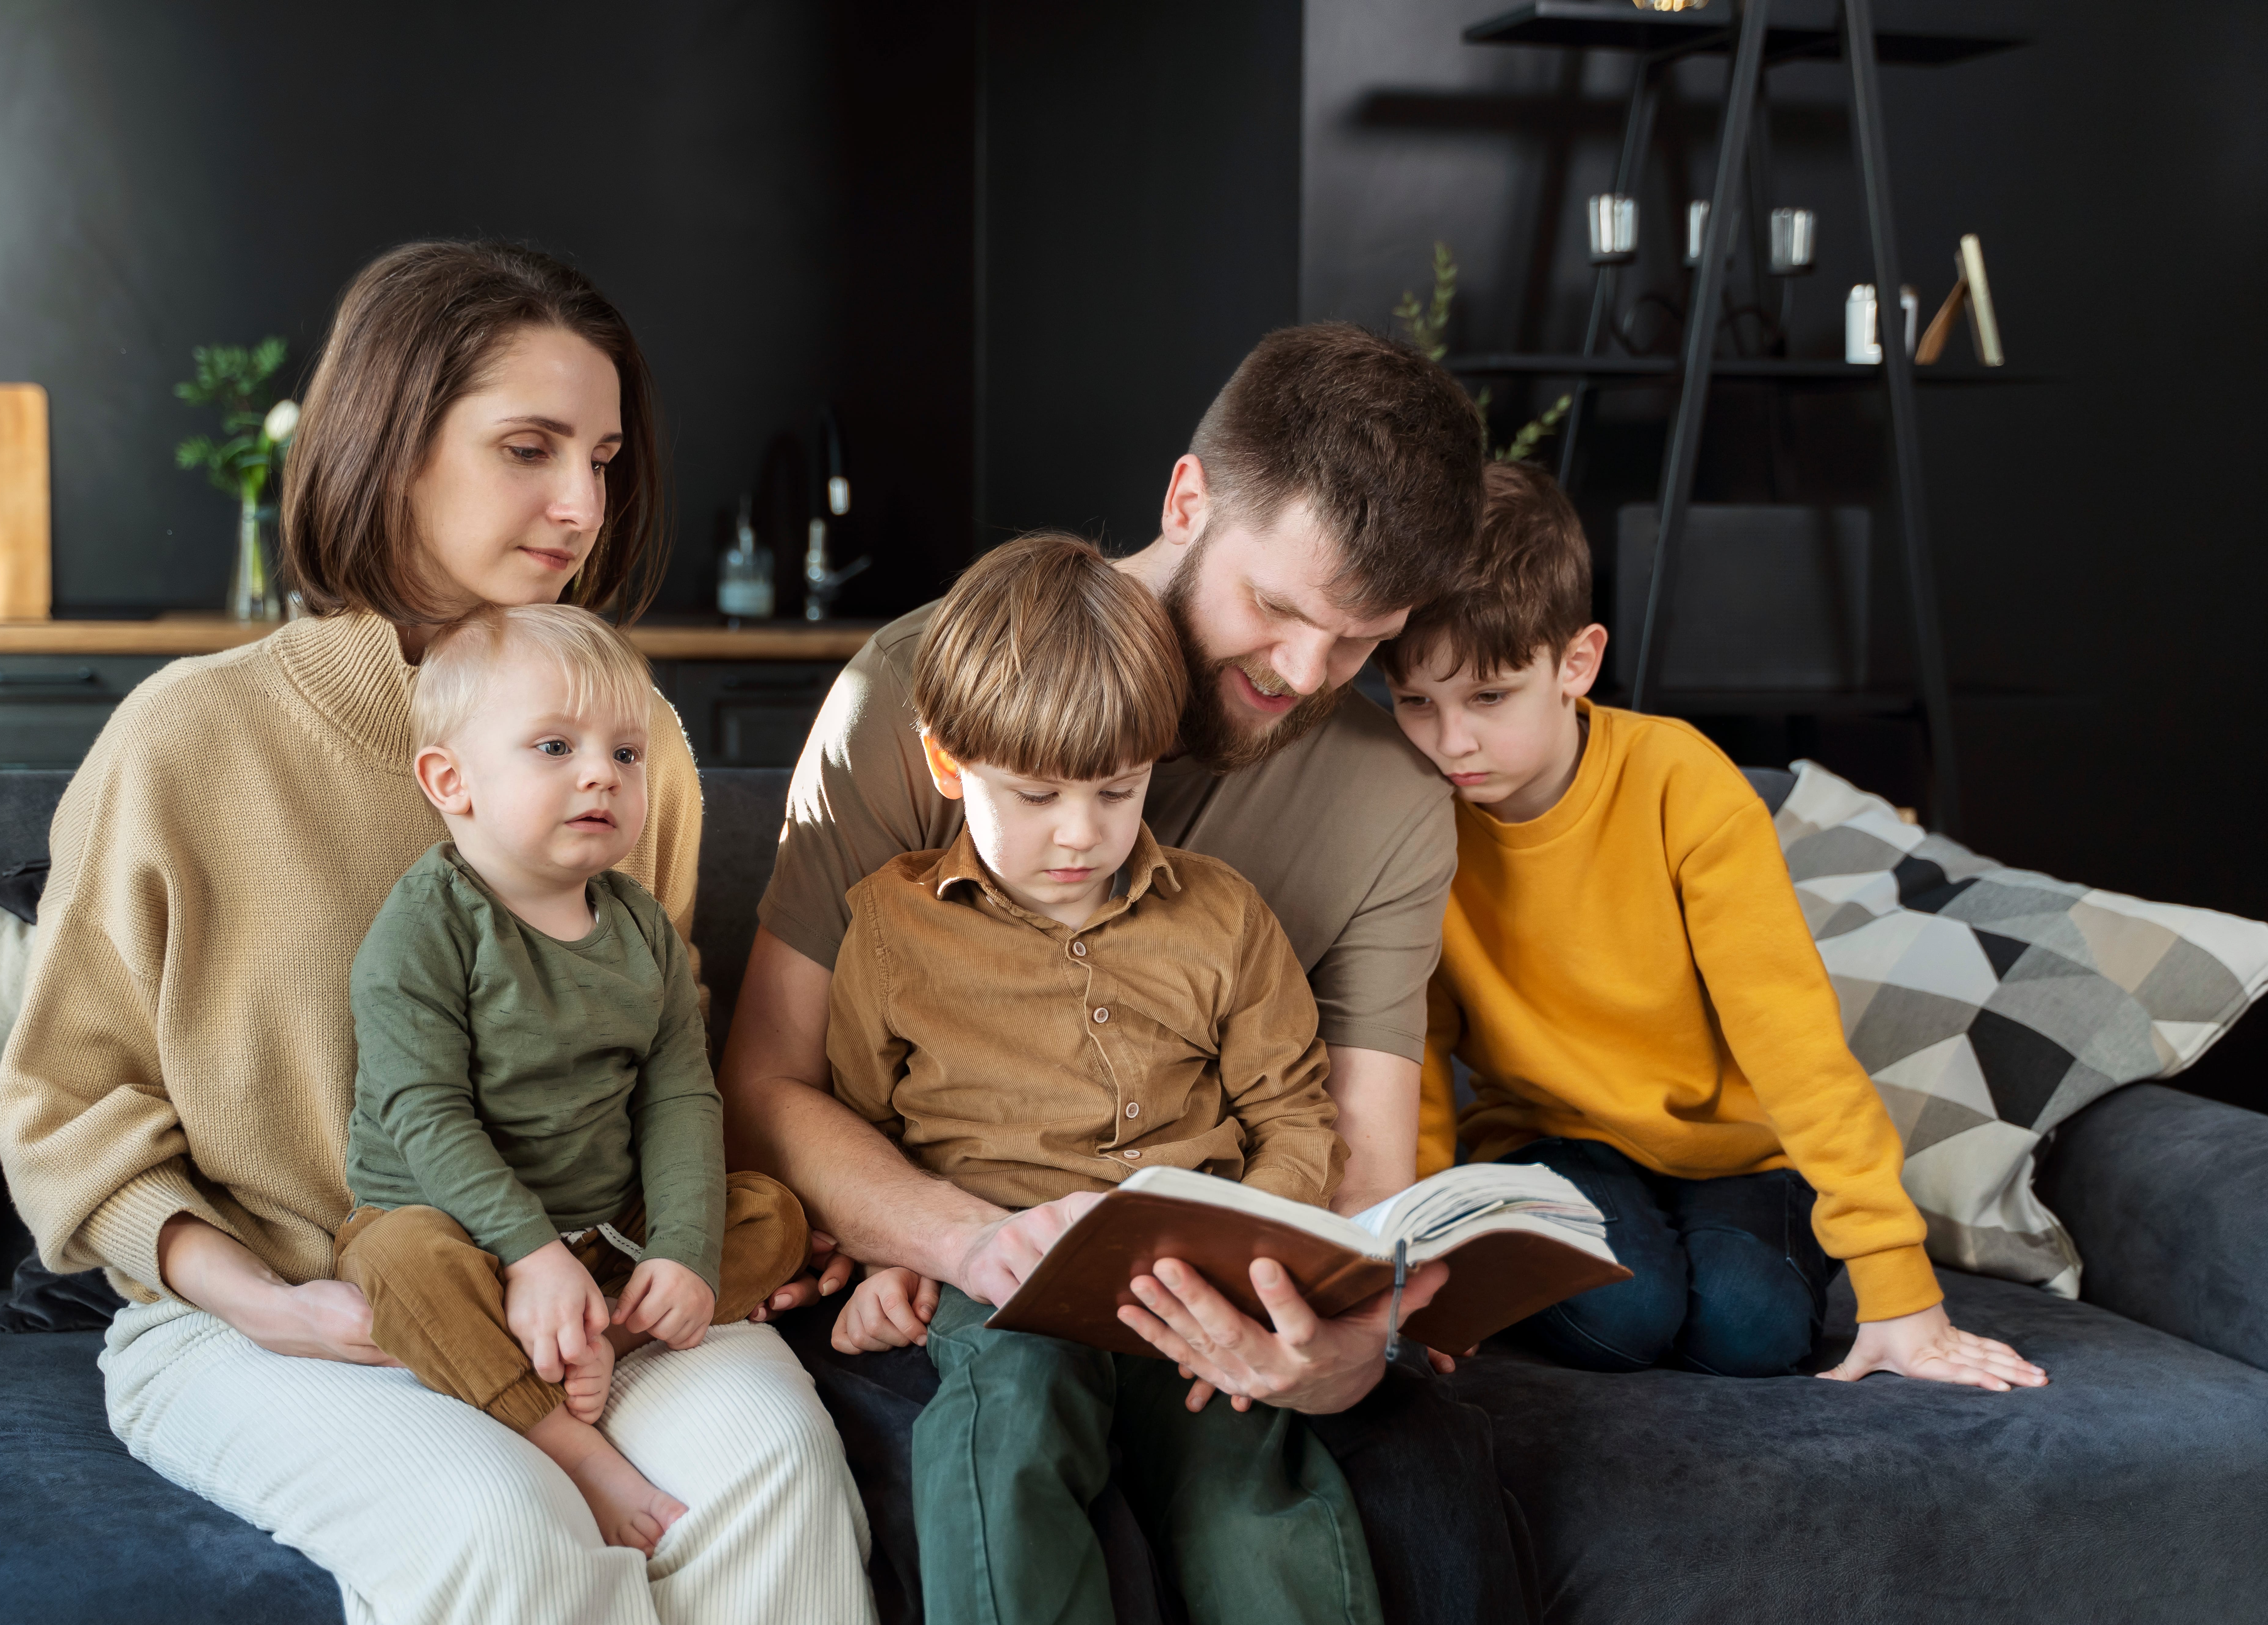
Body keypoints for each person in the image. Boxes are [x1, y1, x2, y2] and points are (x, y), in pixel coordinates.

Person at [0, 240, 875, 1623]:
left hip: (588, 1292)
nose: (581, 502)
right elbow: (64, 1108)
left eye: (602, 457)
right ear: (391, 445)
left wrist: (682, 1252)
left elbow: (666, 1062)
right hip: (272, 1321)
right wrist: (271, 1305)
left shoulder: (635, 752)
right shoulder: (187, 737)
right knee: (501, 1531)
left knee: (773, 1470)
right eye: (528, 448)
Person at [728, 324, 1536, 1624]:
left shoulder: (1389, 803)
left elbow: (1359, 1159)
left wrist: (1332, 1353)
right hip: (958, 1267)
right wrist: (965, 1241)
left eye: (1356, 640)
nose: (1300, 675)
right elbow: (765, 1080)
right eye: (1275, 608)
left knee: (1426, 1477)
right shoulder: (926, 688)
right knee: (1006, 1435)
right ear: (1187, 500)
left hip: (1230, 1294)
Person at [1379, 459, 2049, 1391]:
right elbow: (1410, 1050)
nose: (1451, 741)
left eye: (1489, 698)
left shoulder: (1683, 785)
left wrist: (1901, 1289)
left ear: (1576, 663)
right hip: (1551, 1143)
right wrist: (1421, 1269)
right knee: (1624, 1319)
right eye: (1417, 702)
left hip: (1738, 1149)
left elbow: (1793, 1040)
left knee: (1752, 1332)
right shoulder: (1411, 816)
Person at [822, 534, 1377, 1624]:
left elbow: (1292, 1112)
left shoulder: (1223, 916)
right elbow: (856, 1121)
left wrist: (1254, 1248)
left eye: (1117, 792)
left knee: (1251, 1493)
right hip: (1005, 1284)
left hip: (1197, 1285)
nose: (1081, 837)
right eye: (1035, 796)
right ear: (948, 765)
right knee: (1006, 1426)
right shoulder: (891, 930)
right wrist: (876, 1255)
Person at [336, 603, 814, 1555]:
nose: (601, 772)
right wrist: (527, 1254)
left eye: (626, 755)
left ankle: (606, 1338)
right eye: (555, 746)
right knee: (395, 1269)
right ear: (451, 781)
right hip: (463, 1233)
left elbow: (680, 1097)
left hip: (603, 1234)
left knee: (771, 1217)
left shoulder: (641, 932)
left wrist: (679, 1250)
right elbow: (421, 1112)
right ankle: (563, 1437)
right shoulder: (428, 927)